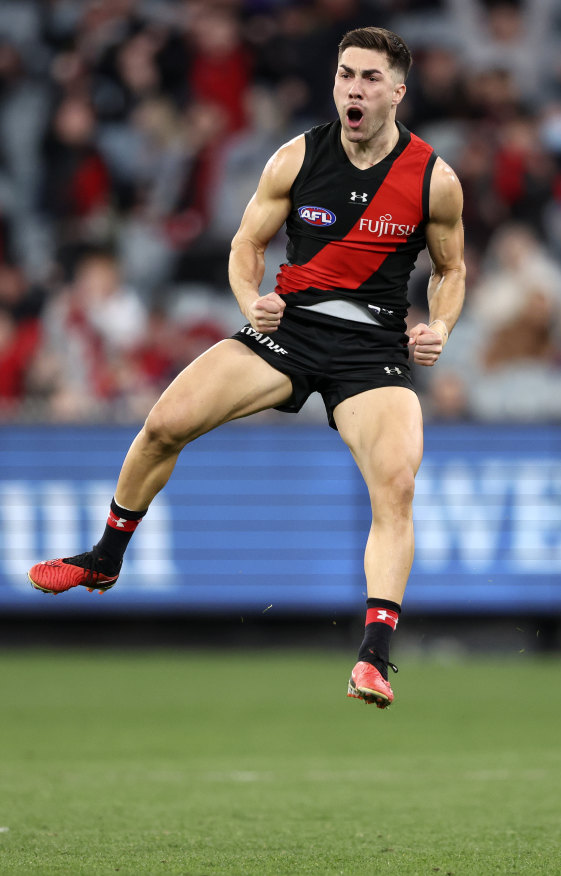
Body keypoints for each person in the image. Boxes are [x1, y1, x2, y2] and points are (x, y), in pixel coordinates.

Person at [28, 26, 465, 710]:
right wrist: (249, 299)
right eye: (346, 74)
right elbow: (244, 243)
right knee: (164, 422)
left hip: (373, 349)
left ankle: (374, 656)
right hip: (288, 330)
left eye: (370, 78)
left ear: (397, 92)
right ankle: (104, 559)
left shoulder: (434, 178)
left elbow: (451, 269)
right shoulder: (295, 157)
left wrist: (438, 325)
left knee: (397, 484)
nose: (354, 87)